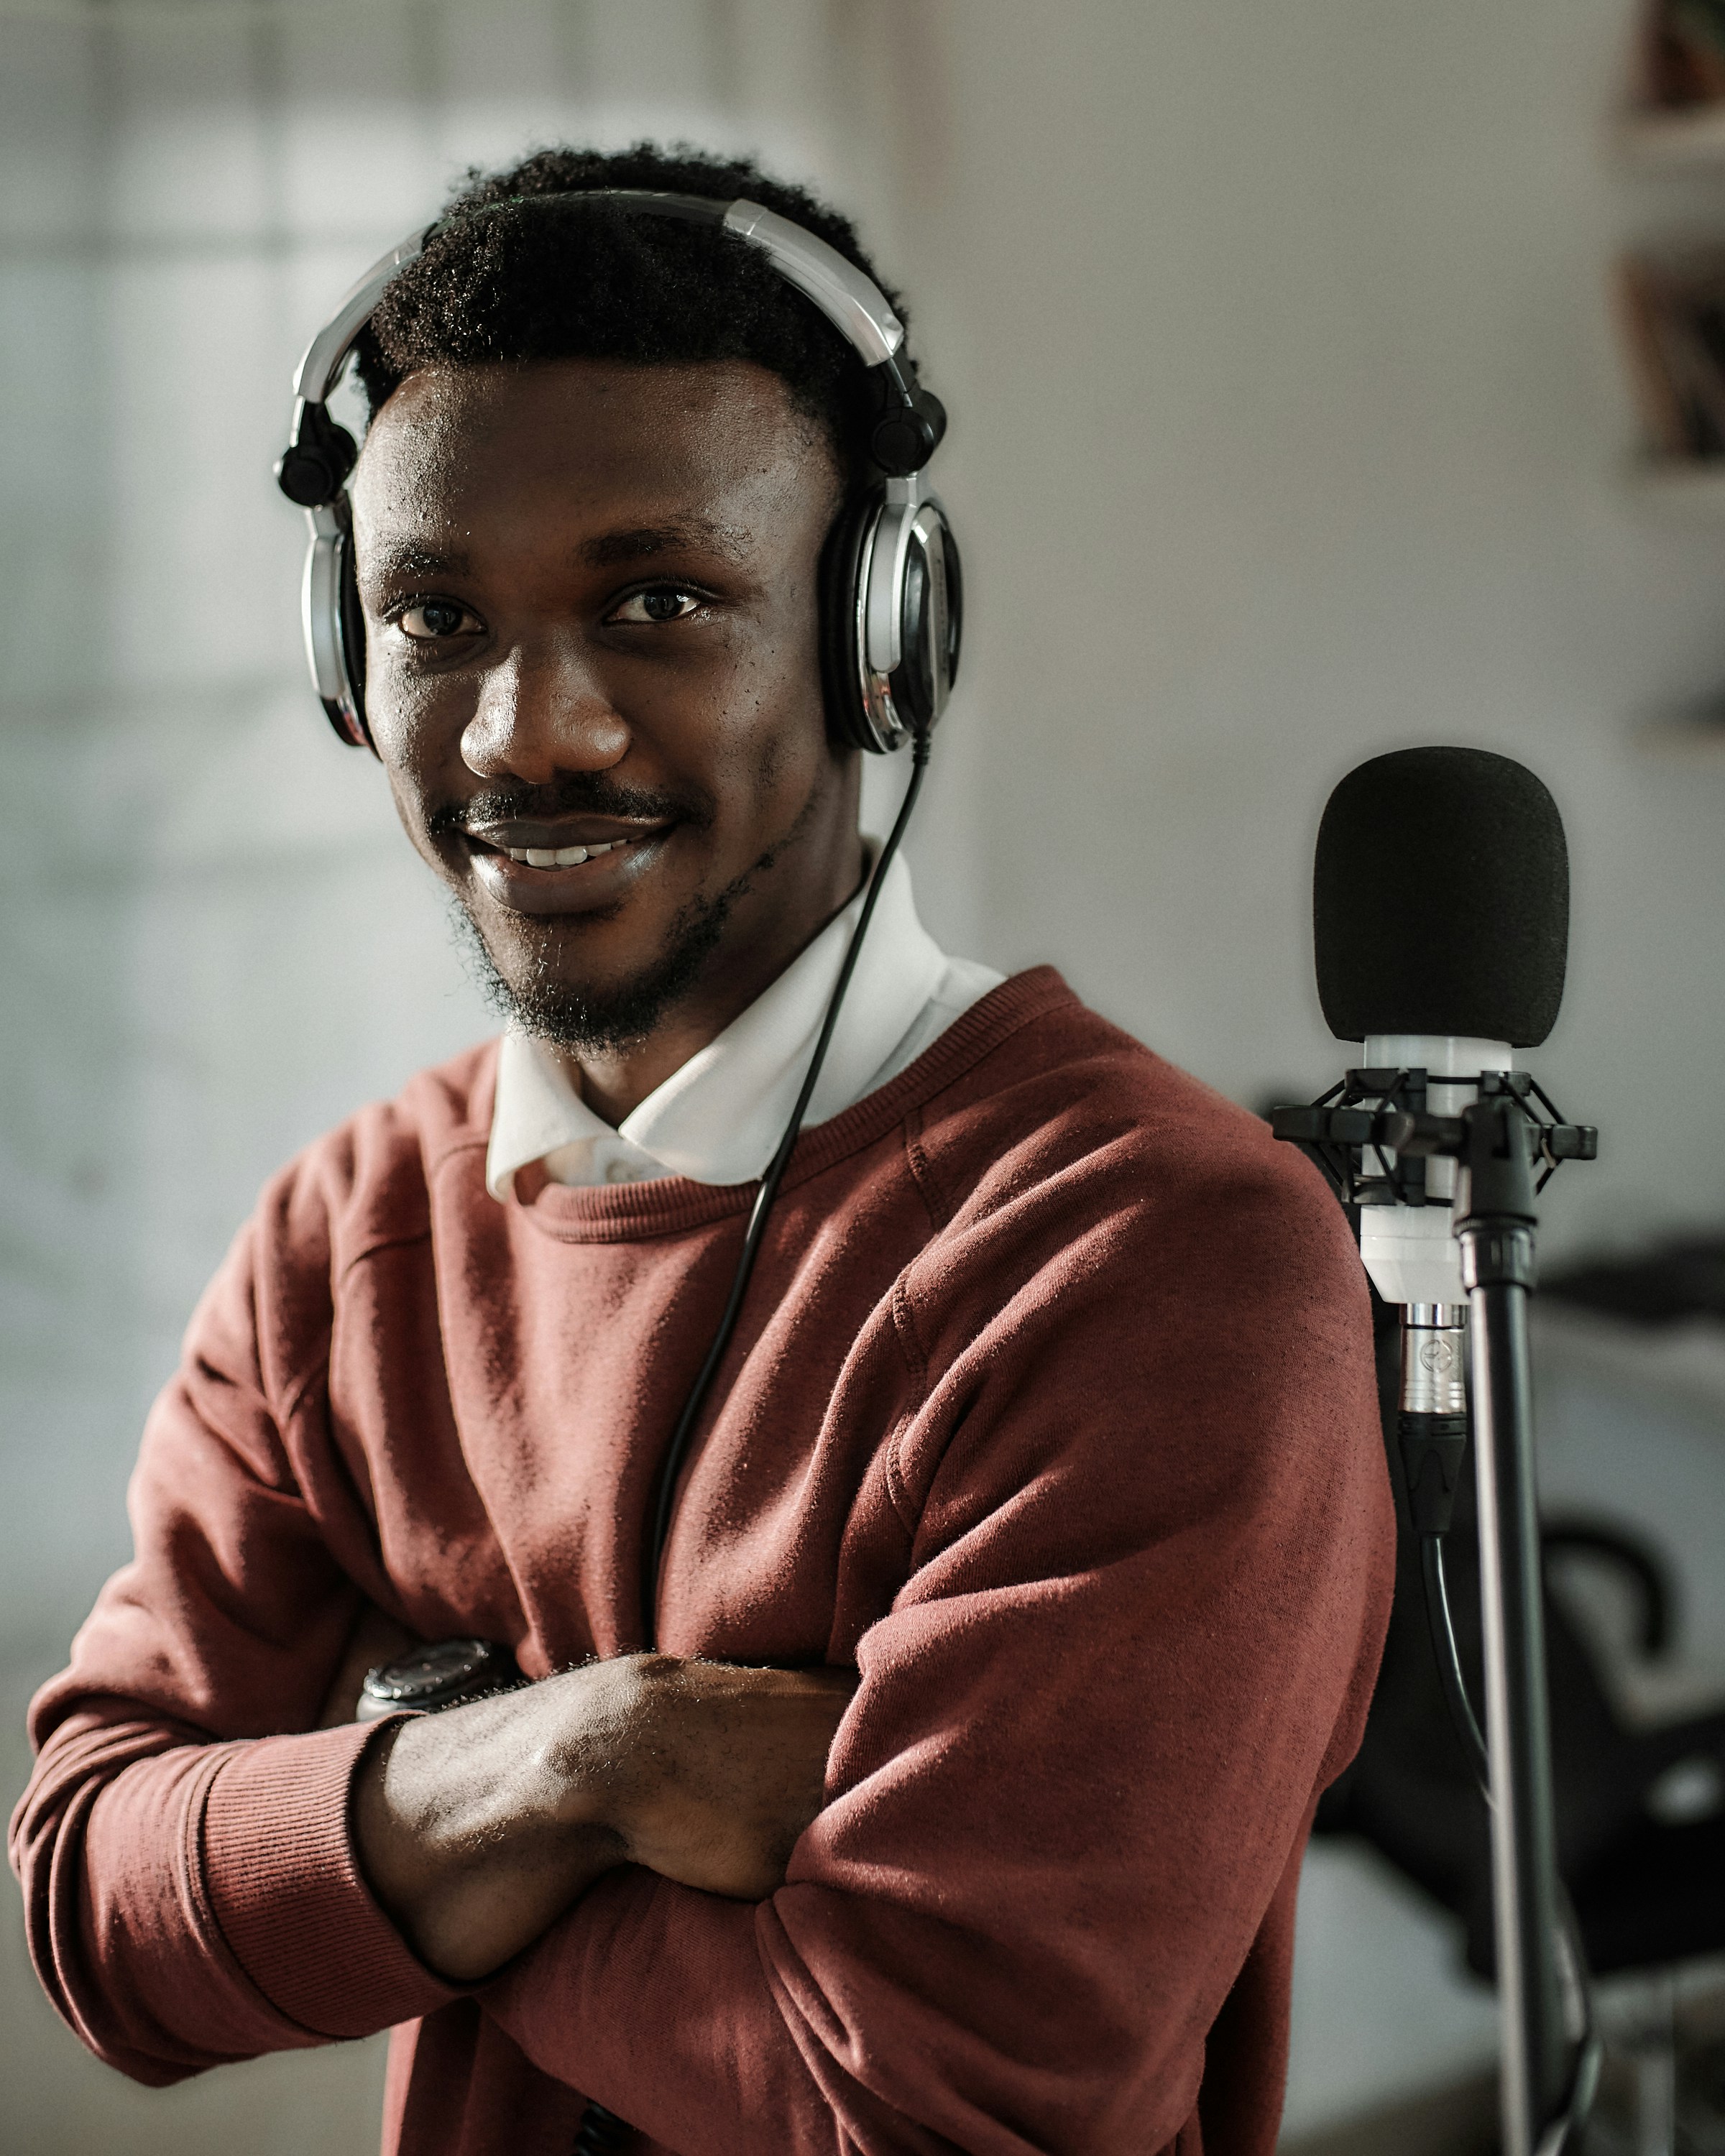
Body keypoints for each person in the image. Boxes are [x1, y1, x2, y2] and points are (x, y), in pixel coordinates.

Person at [9, 144, 1393, 2156]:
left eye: (658, 601)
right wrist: (583, 1760)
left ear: (875, 636)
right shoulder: (341, 1239)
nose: (527, 732)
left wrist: (382, 1806)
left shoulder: (1157, 1260)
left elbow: (926, 2111)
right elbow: (95, 1915)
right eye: (436, 615)